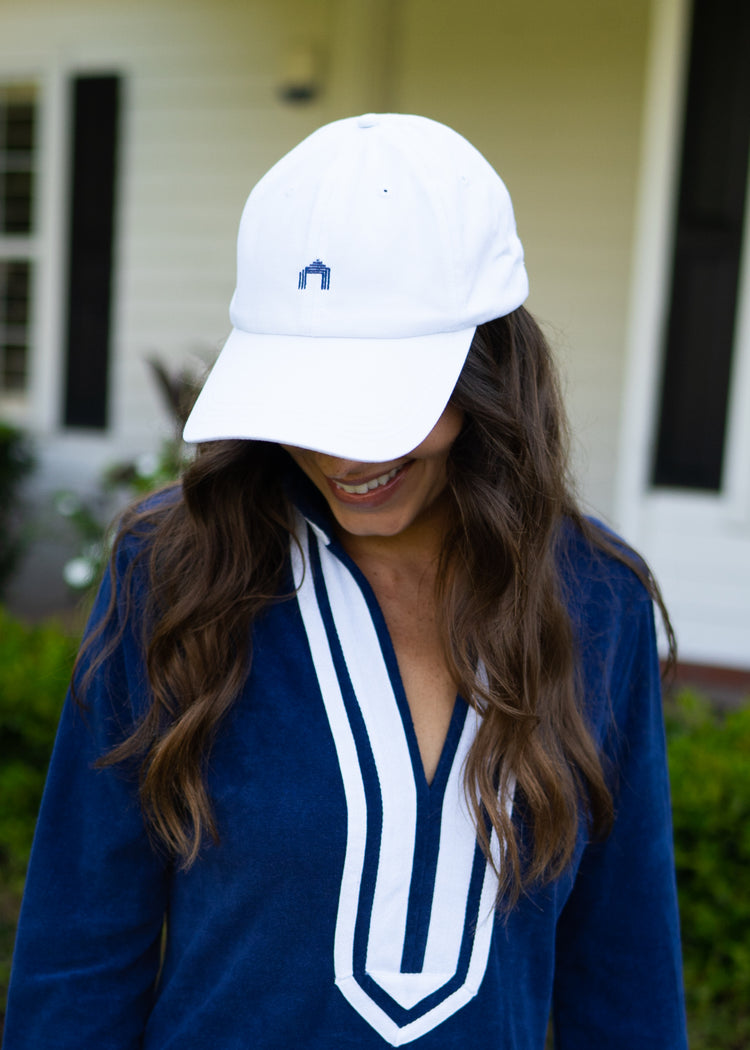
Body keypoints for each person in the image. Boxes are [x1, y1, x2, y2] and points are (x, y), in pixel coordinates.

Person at [4, 114, 687, 1049]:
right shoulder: (173, 571)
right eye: (306, 395)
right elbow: (77, 957)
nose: (340, 450)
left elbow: (629, 985)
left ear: (486, 367)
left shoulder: (597, 600)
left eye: (381, 400)